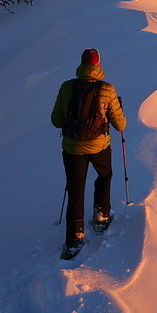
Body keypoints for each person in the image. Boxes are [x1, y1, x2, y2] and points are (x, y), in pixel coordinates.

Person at [51, 48, 126, 259]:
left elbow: (56, 120)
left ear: (82, 64)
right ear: (98, 65)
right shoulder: (107, 89)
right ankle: (101, 216)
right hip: (99, 145)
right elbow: (120, 124)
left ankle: (74, 238)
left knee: (75, 188)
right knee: (104, 176)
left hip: (72, 148)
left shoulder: (67, 87)